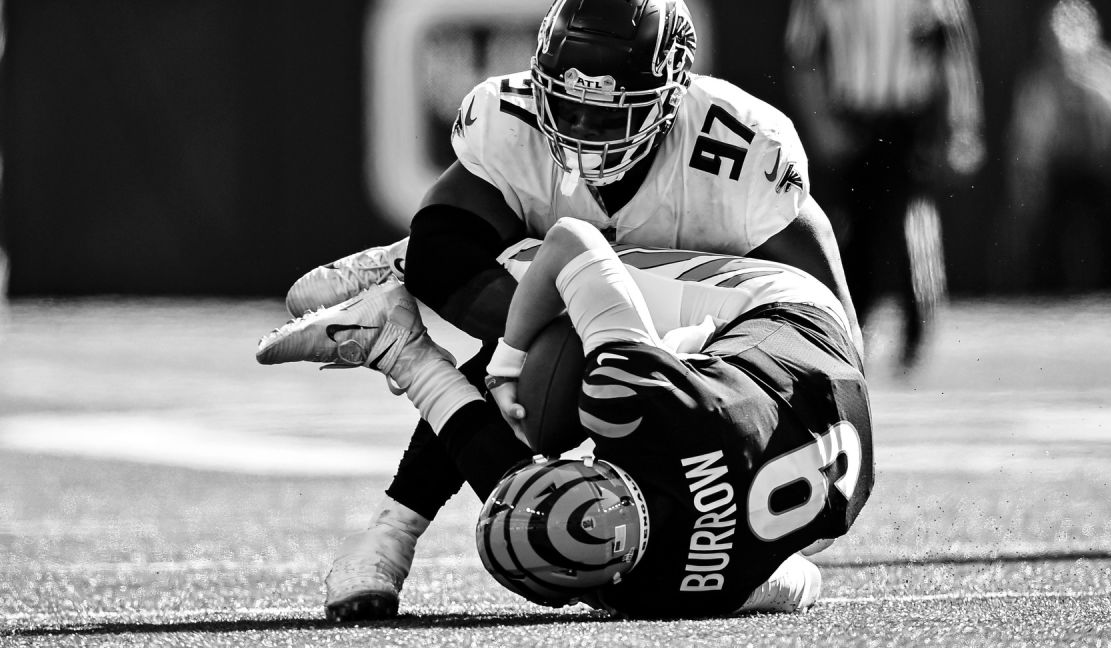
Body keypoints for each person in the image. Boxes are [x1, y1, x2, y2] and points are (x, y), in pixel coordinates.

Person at [282, 0, 858, 621]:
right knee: (541, 352)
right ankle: (392, 518)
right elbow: (448, 244)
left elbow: (827, 307)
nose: (582, 129)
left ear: (672, 96)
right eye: (568, 105)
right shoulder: (515, 121)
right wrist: (505, 349)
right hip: (652, 312)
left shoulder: (738, 153)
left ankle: (391, 502)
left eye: (610, 112)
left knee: (549, 403)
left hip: (702, 312)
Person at [257, 217, 874, 617]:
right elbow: (572, 241)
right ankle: (419, 261)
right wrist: (503, 363)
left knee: (535, 518)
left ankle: (396, 346)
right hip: (787, 309)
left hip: (828, 430)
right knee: (544, 371)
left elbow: (798, 583)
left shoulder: (645, 586)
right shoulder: (636, 400)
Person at [784, 0, 983, 372]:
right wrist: (822, 126)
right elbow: (802, 56)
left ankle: (916, 332)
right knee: (851, 230)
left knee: (910, 224)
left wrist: (962, 126)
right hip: (852, 118)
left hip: (908, 123)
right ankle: (855, 331)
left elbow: (956, 56)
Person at [1003, 0, 1111, 293]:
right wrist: (1028, 182)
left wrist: (1092, 96)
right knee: (1048, 233)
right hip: (1061, 171)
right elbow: (1028, 139)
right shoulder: (1040, 81)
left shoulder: (1109, 71)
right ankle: (1047, 293)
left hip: (1102, 169)